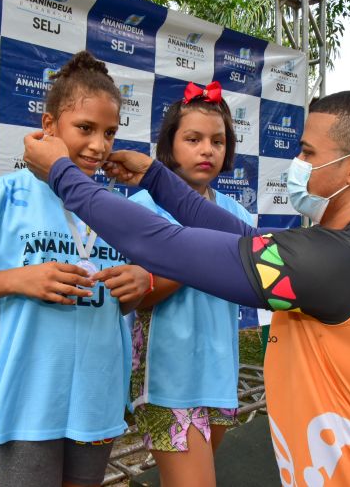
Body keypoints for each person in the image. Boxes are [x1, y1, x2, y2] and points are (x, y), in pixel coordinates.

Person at [24, 90, 350, 486]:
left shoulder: (338, 261)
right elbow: (241, 236)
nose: (298, 163)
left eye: (308, 153)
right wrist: (156, 177)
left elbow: (160, 243)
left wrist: (62, 174)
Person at [0, 51, 151, 487]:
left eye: (109, 132)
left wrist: (140, 281)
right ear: (49, 126)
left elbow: (142, 280)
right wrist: (20, 279)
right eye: (85, 128)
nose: (99, 145)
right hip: (27, 396)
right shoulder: (0, 196)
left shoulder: (114, 207)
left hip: (98, 393)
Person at [125, 81, 252, 487]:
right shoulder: (143, 207)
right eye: (193, 139)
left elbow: (253, 280)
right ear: (170, 144)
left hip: (219, 377)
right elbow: (136, 297)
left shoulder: (236, 214)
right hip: (167, 379)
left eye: (217, 140)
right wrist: (202, 258)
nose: (206, 150)